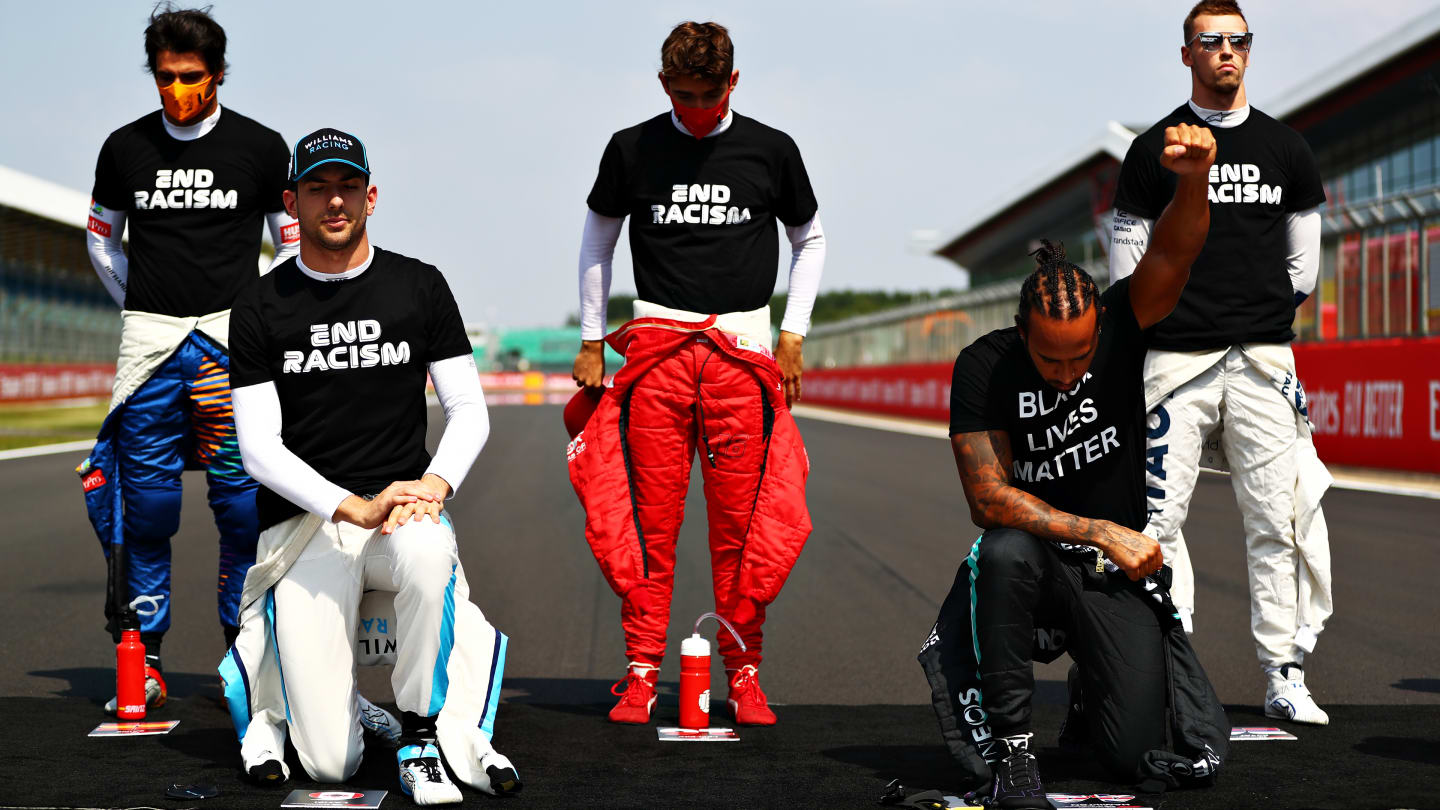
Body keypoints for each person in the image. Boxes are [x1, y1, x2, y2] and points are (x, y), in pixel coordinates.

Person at [920, 124, 1229, 808]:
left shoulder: (1122, 324)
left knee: (1128, 756)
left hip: (1103, 574)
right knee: (999, 551)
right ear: (1020, 331)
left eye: (1081, 357)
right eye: (1050, 358)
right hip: (1034, 562)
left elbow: (1177, 251)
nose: (1067, 375)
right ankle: (1014, 752)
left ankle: (1095, 689)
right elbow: (988, 498)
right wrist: (1098, 529)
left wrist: (1194, 178)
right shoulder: (984, 366)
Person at [226, 129, 519, 803]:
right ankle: (347, 709)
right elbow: (258, 450)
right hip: (307, 527)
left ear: (371, 196)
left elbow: (468, 410)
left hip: (399, 518)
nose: (335, 201)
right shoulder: (260, 305)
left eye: (348, 187)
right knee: (329, 766)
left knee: (425, 552)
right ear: (291, 203)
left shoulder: (418, 285)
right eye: (318, 188)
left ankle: (419, 730)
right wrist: (348, 504)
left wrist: (436, 485)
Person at [568, 20, 826, 726]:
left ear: (733, 84)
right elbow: (598, 233)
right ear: (662, 85)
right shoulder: (632, 147)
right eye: (681, 95)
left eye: (707, 96)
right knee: (648, 526)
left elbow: (811, 239)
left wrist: (794, 334)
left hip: (744, 356)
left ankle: (743, 674)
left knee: (746, 531)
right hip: (655, 352)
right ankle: (643, 672)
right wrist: (592, 338)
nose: (694, 109)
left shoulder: (772, 150)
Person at [1109, 0, 1333, 725]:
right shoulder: (1153, 151)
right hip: (1174, 363)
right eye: (1211, 42)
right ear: (1187, 55)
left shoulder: (1288, 149)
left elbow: (1304, 267)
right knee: (1156, 523)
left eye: (1238, 41)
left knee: (1278, 519)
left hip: (1264, 361)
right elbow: (1128, 266)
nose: (1227, 53)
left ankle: (1284, 670)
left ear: (1249, 51)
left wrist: (1250, 315)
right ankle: (1172, 673)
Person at [80, 4, 299, 713]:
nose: (178, 89)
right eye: (167, 76)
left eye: (192, 76)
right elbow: (101, 241)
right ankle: (143, 655)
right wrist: (139, 306)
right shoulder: (123, 149)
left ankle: (246, 652)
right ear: (153, 74)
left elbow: (289, 244)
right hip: (149, 350)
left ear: (219, 74)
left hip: (228, 353)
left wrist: (260, 316)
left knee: (241, 509)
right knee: (146, 510)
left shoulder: (263, 148)